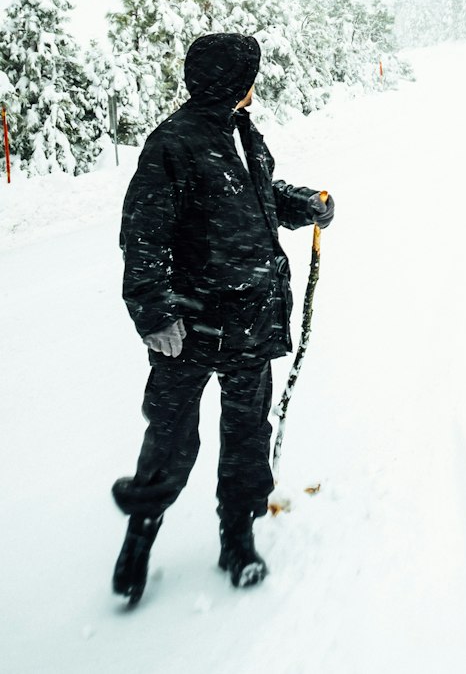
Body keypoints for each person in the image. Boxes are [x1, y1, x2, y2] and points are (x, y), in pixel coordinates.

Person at [111, 32, 334, 605]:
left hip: (250, 322)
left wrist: (303, 204)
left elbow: (258, 201)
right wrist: (155, 314)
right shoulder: (174, 143)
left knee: (245, 435)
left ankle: (237, 539)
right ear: (234, 81)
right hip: (187, 328)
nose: (254, 83)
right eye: (249, 74)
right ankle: (138, 541)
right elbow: (144, 236)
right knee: (170, 435)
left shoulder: (243, 134)